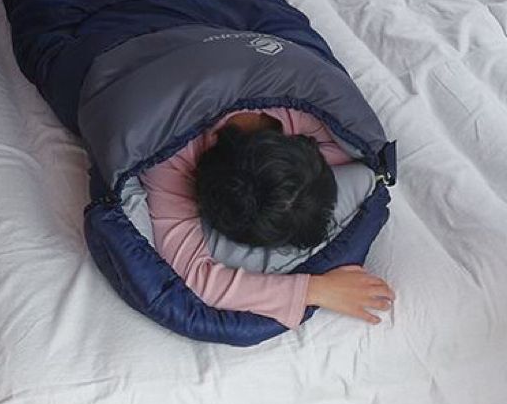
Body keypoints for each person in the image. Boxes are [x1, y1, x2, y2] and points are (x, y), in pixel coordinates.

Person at [139, 107, 395, 331]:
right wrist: (315, 290)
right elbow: (194, 277)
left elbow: (363, 164)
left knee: (362, 178)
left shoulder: (311, 115)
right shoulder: (167, 156)